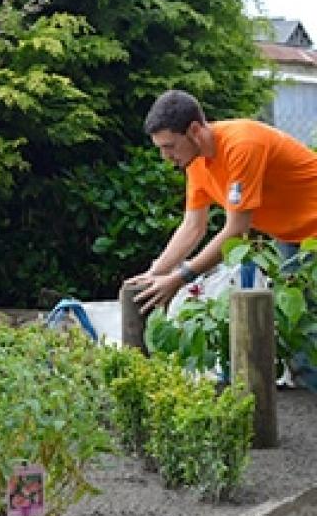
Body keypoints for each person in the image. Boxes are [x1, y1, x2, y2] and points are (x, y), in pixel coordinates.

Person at [129, 88, 317, 387]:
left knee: (307, 332)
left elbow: (236, 231)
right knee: (299, 331)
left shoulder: (242, 145)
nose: (167, 157)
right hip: (290, 236)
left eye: (170, 146)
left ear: (194, 130)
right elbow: (193, 226)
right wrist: (155, 273)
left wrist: (180, 277)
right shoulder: (197, 165)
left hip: (313, 234)